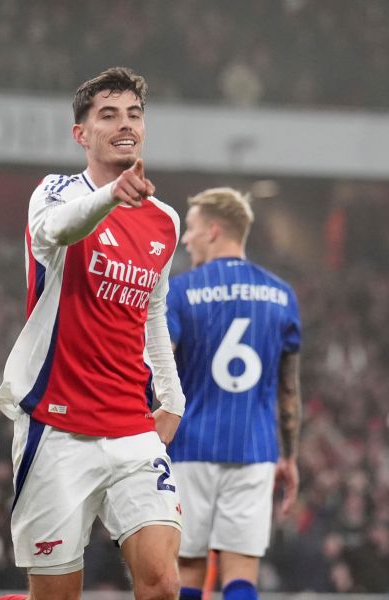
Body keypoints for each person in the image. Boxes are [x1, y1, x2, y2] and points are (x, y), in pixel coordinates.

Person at [0, 66, 186, 600]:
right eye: (108, 115)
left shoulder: (165, 220)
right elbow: (57, 229)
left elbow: (152, 311)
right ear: (81, 133)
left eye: (134, 114)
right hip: (56, 430)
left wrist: (172, 396)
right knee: (57, 595)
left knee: (165, 584)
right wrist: (111, 198)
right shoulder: (54, 193)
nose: (125, 125)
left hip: (131, 429)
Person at [165, 187, 302, 600]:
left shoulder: (181, 291)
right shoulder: (282, 295)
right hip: (255, 448)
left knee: (187, 567)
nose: (185, 239)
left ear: (212, 229)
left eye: (189, 230)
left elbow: (158, 371)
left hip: (189, 445)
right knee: (240, 572)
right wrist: (290, 456)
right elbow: (289, 389)